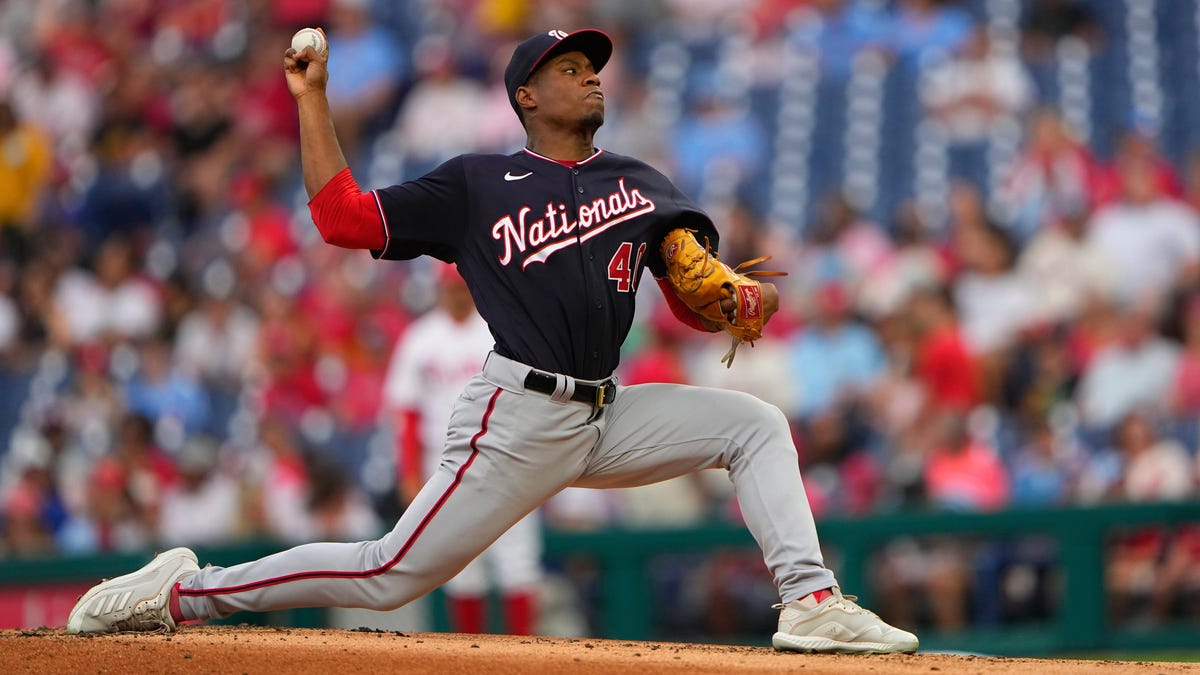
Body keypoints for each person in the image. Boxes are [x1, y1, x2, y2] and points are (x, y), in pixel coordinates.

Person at [65, 28, 918, 654]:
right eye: (569, 70)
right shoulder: (478, 183)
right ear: (527, 97)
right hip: (517, 417)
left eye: (593, 69)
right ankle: (182, 589)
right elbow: (340, 219)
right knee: (387, 571)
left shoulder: (642, 183)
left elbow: (690, 296)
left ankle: (808, 599)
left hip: (604, 415)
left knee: (754, 423)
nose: (590, 79)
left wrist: (728, 301)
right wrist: (313, 100)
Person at [382, 263, 543, 635]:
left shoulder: (498, 329)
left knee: (518, 564)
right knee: (461, 570)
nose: (457, 293)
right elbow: (405, 412)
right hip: (446, 465)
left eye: (462, 287)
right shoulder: (420, 340)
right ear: (440, 289)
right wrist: (408, 472)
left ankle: (526, 660)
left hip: (506, 461)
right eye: (451, 287)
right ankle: (468, 658)